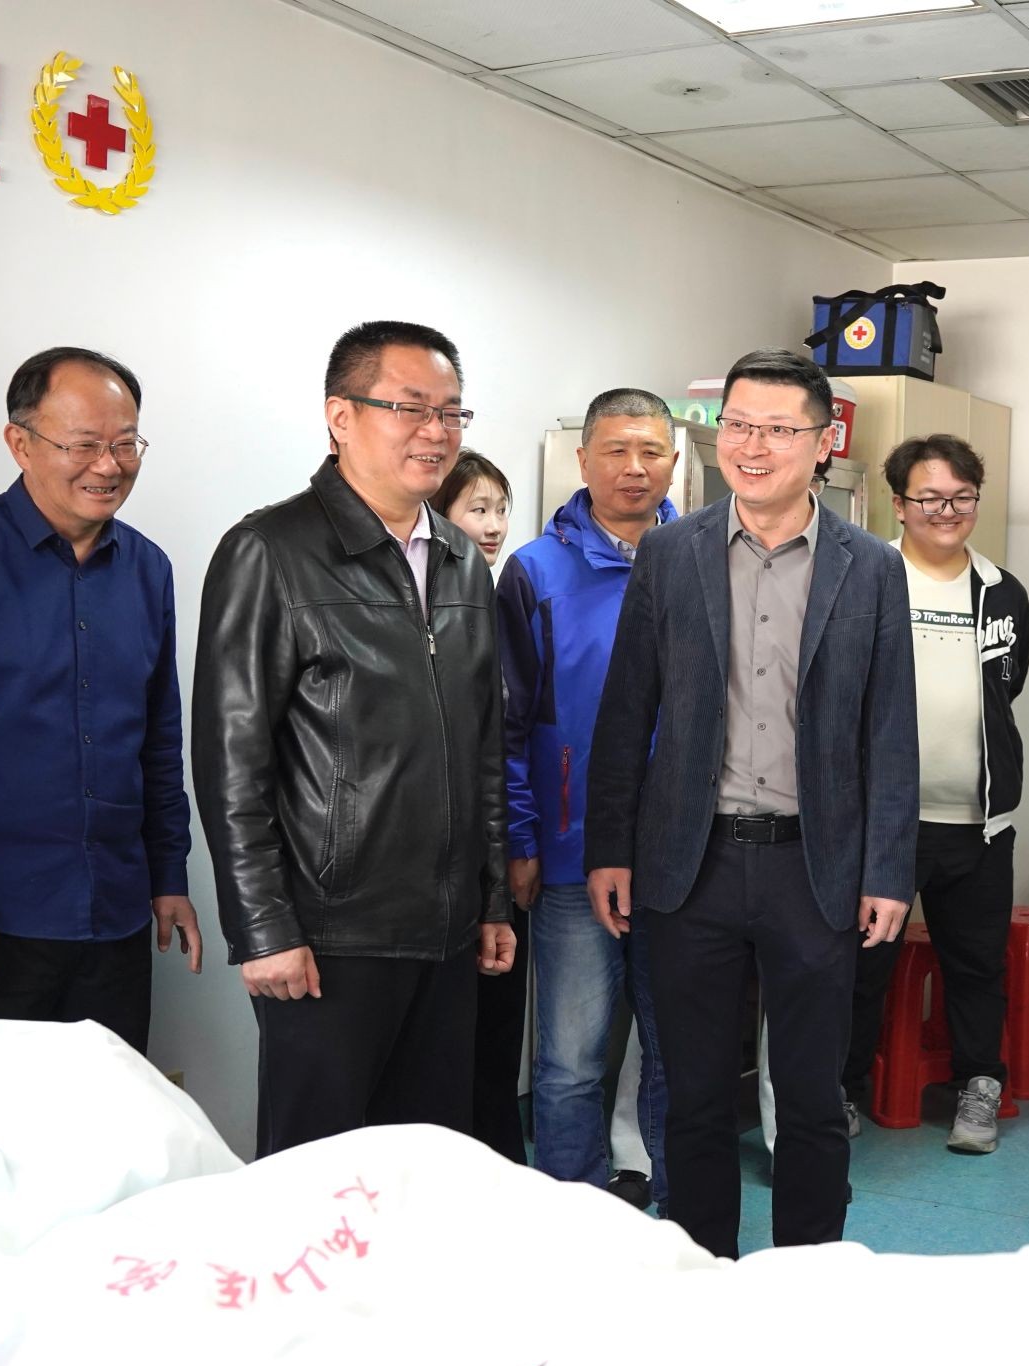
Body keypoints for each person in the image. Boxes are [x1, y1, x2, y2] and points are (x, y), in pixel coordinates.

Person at [586, 348, 917, 1259]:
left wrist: (888, 868)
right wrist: (610, 847)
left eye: (777, 429)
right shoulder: (670, 552)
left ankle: (810, 1278)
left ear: (823, 442)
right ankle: (704, 1274)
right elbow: (627, 711)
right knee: (694, 1094)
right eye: (737, 425)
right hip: (691, 863)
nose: (753, 446)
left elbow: (890, 728)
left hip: (817, 864)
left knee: (810, 1097)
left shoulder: (870, 567)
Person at [193, 319, 515, 1157]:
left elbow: (484, 747)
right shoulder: (270, 550)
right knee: (318, 1176)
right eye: (410, 408)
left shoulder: (461, 560)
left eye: (451, 412)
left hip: (446, 931)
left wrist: (490, 900)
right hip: (328, 934)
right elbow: (230, 763)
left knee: (426, 1168)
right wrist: (263, 928)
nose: (436, 431)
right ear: (341, 416)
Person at [0, 348, 200, 1047]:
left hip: (117, 916)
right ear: (20, 442)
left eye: (126, 444)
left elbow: (158, 740)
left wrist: (169, 874)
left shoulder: (148, 568)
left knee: (112, 1110)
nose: (109, 465)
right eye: (83, 444)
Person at [499, 390, 677, 1210]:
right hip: (571, 857)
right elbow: (508, 723)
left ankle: (684, 1225)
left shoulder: (701, 559)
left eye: (650, 450)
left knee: (680, 1057)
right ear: (583, 459)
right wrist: (522, 839)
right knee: (570, 1062)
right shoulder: (535, 571)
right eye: (615, 450)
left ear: (674, 460)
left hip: (681, 861)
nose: (633, 468)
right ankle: (568, 1227)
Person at [840, 434, 1029, 1154]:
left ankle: (979, 1088)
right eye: (929, 498)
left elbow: (1006, 687)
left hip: (979, 823)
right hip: (882, 822)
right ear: (899, 504)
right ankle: (840, 1089)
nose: (946, 511)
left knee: (977, 966)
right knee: (861, 965)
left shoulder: (1002, 590)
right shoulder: (868, 577)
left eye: (960, 497)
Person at [435, 449, 528, 1164]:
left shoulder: (498, 601)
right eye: (477, 509)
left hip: (496, 859)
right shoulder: (427, 611)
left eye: (501, 509)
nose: (494, 526)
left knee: (496, 1037)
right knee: (445, 1053)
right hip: (435, 869)